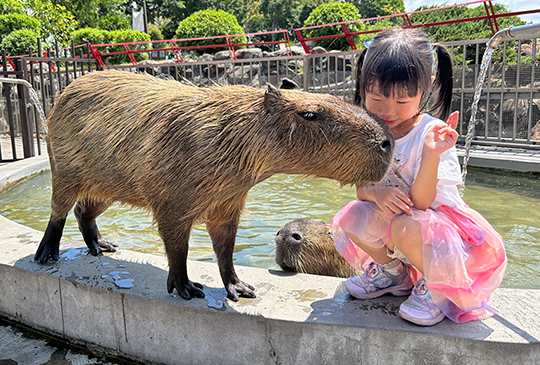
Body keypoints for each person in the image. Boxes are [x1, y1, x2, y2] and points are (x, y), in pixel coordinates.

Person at [330, 28, 506, 326]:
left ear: (426, 88)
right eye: (376, 98)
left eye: (401, 102)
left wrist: (432, 154)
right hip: (404, 224)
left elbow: (423, 203)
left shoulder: (431, 134)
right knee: (352, 215)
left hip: (444, 235)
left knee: (403, 226)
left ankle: (436, 288)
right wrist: (377, 194)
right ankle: (393, 274)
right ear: (363, 86)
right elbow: (362, 188)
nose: (387, 110)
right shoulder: (370, 129)